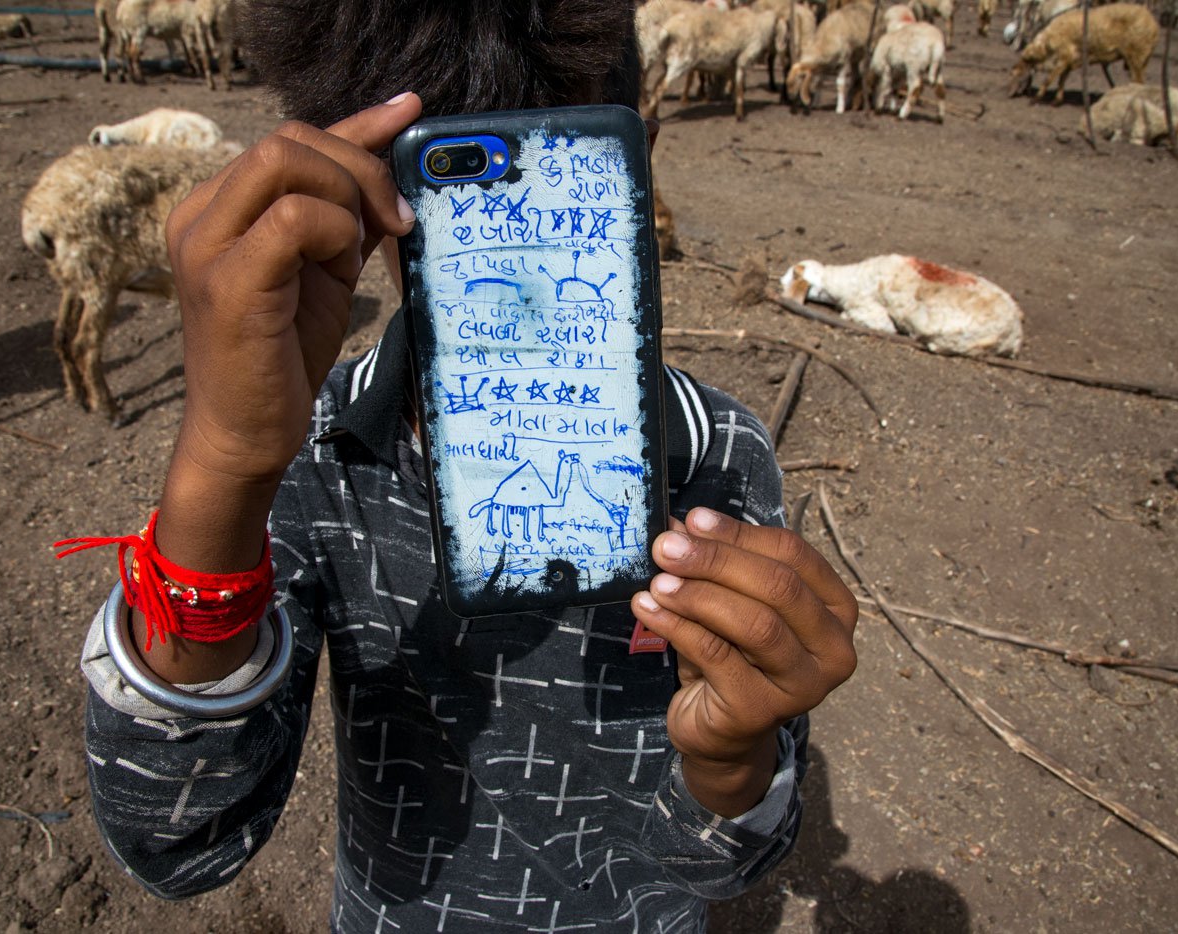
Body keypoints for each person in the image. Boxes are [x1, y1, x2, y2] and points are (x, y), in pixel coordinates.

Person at [71, 2, 858, 931]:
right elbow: (179, 841)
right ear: (361, 203)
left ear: (639, 161)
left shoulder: (718, 457)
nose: (521, 276)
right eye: (467, 215)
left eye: (556, 209)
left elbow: (723, 861)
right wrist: (223, 462)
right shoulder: (315, 451)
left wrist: (734, 758)